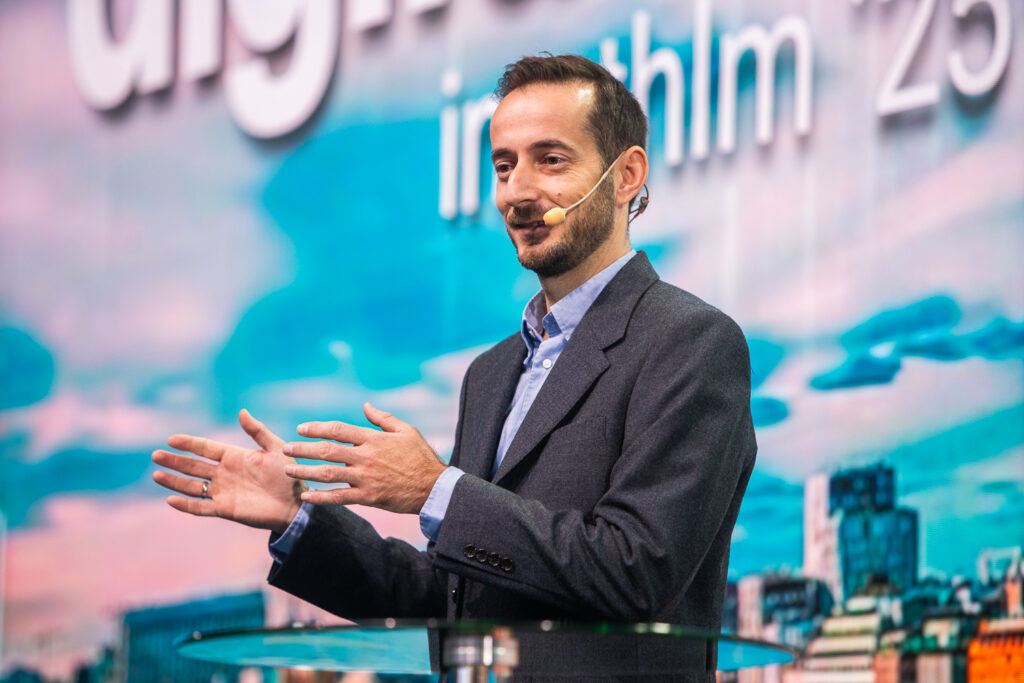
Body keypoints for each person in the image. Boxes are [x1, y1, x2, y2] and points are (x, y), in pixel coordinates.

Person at [153, 54, 756, 680]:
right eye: (504, 165)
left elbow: (636, 570)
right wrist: (300, 519)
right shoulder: (492, 374)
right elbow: (454, 602)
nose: (517, 192)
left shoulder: (692, 343)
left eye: (550, 160)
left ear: (627, 174)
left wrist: (434, 489)